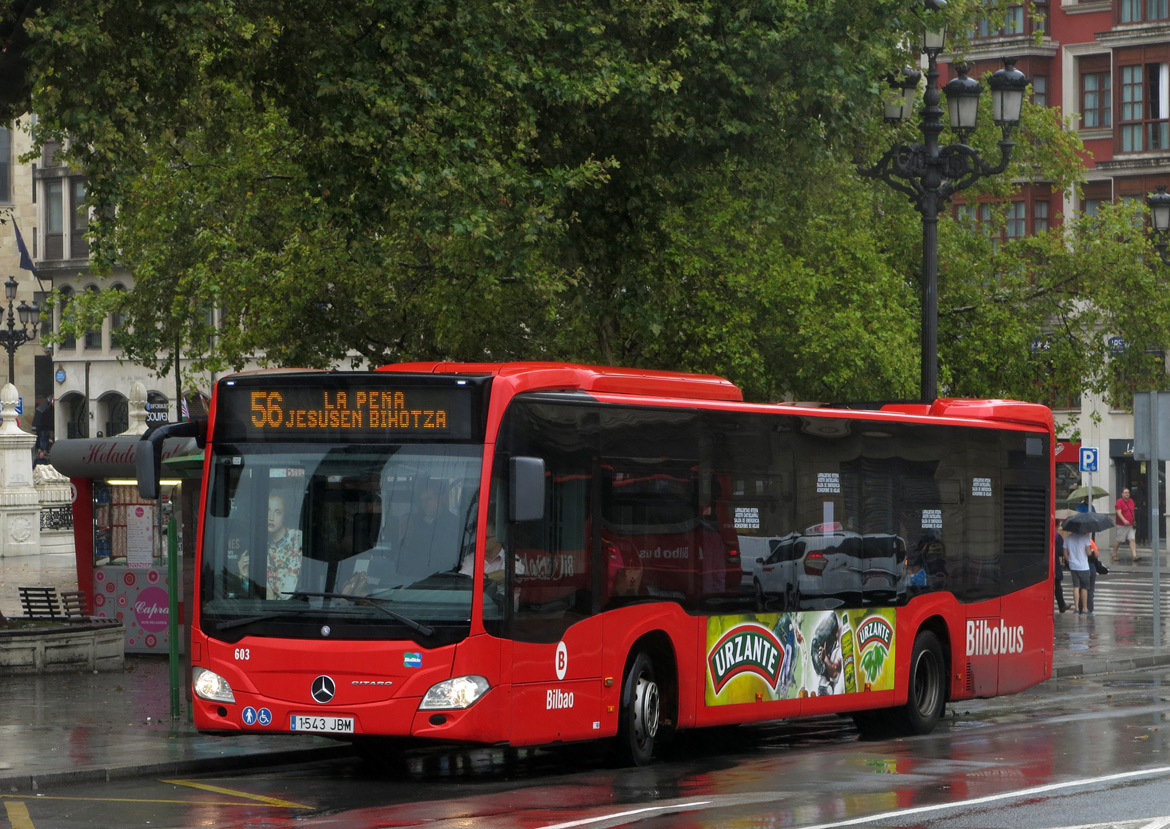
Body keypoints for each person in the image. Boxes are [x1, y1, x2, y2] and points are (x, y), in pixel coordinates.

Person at [238, 492, 304, 599]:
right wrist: (244, 574)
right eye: (267, 511)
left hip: (295, 609)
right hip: (267, 611)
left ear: (284, 515)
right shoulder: (257, 544)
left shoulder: (299, 538)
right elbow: (253, 594)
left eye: (277, 512)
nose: (271, 517)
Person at [1063, 527, 1093, 615]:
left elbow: (1065, 553)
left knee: (1076, 586)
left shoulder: (1068, 538)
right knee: (1084, 588)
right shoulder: (1085, 538)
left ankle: (1076, 609)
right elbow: (1088, 553)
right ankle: (1085, 609)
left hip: (1073, 566)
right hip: (1083, 566)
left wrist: (1069, 561)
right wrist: (1091, 550)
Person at [1112, 487, 1138, 564]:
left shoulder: (1131, 501)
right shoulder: (1119, 502)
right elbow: (1118, 512)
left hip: (1130, 524)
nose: (1127, 494)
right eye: (1125, 492)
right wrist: (1124, 520)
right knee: (1119, 540)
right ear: (1122, 494)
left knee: (1132, 539)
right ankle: (1114, 554)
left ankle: (1134, 555)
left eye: (1128, 492)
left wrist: (1133, 520)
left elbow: (1132, 512)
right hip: (1122, 525)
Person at [1054, 519, 1069, 613]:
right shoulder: (1057, 536)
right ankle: (1061, 605)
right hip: (1054, 564)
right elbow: (1060, 552)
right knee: (1057, 586)